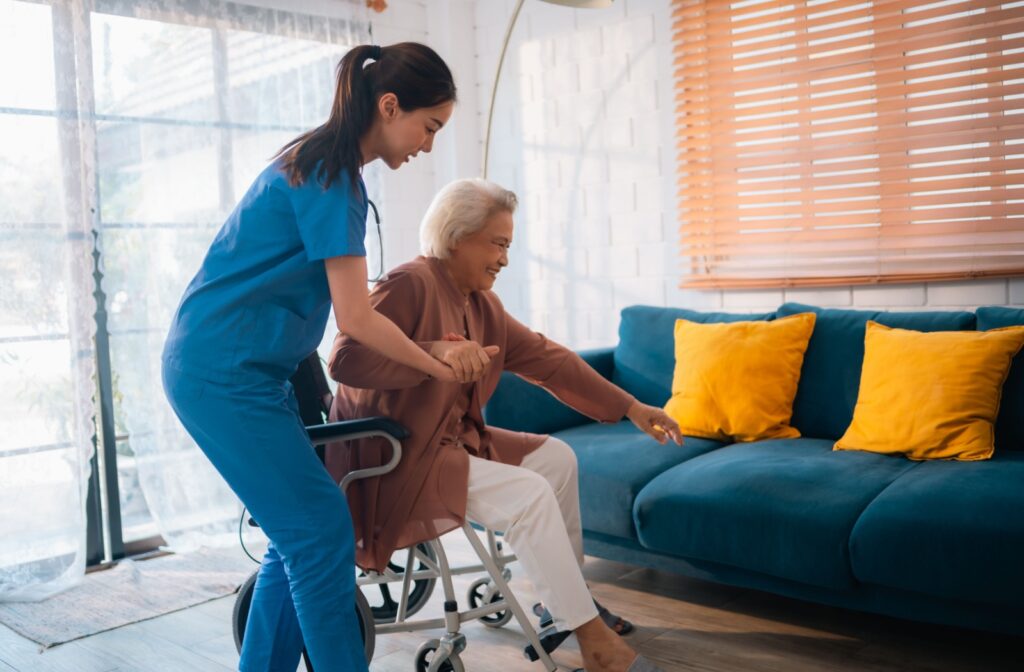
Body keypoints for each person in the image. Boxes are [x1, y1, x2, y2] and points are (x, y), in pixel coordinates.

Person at [161, 43, 474, 672]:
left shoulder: (327, 167)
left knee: (297, 534)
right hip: (221, 371)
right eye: (429, 126)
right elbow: (355, 319)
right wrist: (437, 364)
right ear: (390, 106)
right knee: (319, 530)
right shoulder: (330, 177)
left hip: (248, 368)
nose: (428, 145)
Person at [326, 178, 680, 672]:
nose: (504, 259)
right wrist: (432, 352)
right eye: (498, 244)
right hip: (393, 458)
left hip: (448, 446)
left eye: (508, 246)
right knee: (529, 493)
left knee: (555, 458)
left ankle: (562, 605)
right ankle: (594, 642)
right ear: (456, 235)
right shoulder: (410, 283)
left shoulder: (482, 303)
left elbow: (549, 360)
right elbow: (343, 357)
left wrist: (631, 407)